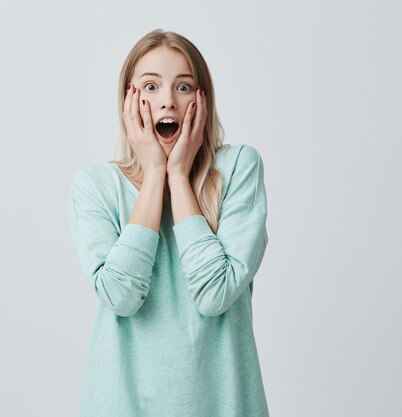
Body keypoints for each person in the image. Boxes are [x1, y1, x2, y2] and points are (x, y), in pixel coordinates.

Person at [68, 29, 270, 417]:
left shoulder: (238, 168)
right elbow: (121, 296)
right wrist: (154, 173)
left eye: (183, 86)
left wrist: (178, 177)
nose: (167, 101)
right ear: (130, 99)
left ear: (201, 98)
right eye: (151, 86)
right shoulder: (94, 186)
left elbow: (215, 294)